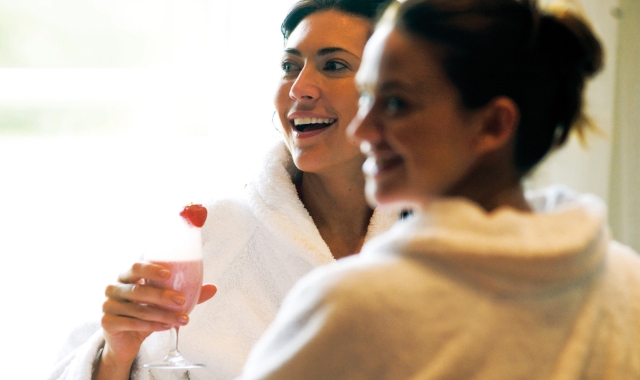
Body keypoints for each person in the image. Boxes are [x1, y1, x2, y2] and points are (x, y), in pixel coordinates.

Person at [238, 0, 640, 379]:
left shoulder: (356, 307)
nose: (362, 128)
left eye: (395, 104)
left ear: (493, 124)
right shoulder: (623, 281)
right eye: (366, 97)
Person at [47, 1, 396, 380]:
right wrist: (116, 354)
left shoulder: (445, 241)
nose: (299, 88)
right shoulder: (213, 235)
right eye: (289, 67)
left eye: (334, 65)